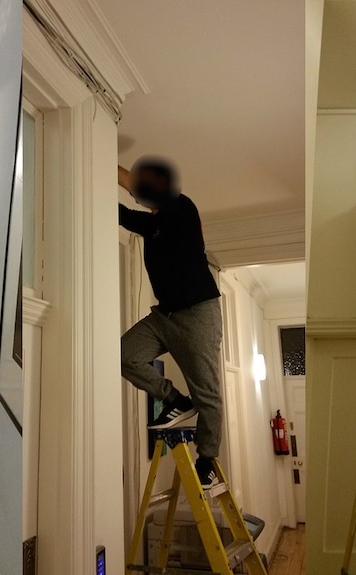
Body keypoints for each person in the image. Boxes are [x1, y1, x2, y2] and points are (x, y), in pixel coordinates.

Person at [118, 157, 224, 486]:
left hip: (197, 313)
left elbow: (136, 190)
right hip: (163, 316)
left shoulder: (182, 208)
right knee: (123, 355)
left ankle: (206, 459)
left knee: (207, 391)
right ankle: (175, 401)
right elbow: (122, 213)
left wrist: (107, 157)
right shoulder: (154, 225)